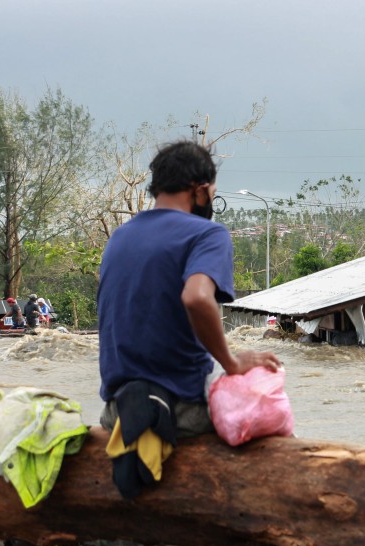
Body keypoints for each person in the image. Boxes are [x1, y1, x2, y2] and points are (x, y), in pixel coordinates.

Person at [98, 140, 281, 441]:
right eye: (212, 193)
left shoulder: (120, 237)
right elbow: (196, 298)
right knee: (268, 411)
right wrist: (232, 363)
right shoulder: (207, 234)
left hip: (116, 412)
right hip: (179, 409)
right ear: (199, 189)